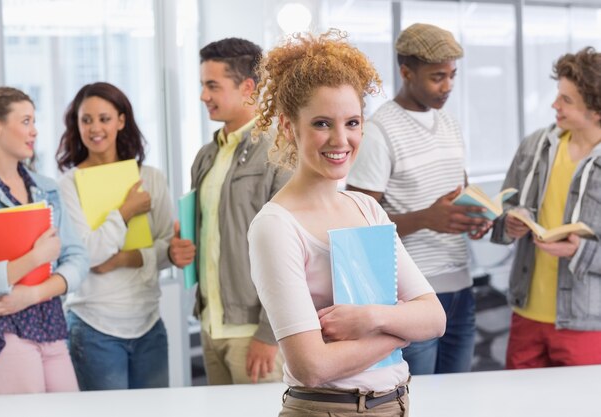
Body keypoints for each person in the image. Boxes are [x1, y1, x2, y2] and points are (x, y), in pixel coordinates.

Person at [248, 29, 446, 416]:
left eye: (352, 122)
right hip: (328, 409)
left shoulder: (366, 208)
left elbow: (435, 318)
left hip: (396, 403)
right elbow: (312, 366)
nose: (341, 139)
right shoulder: (276, 226)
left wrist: (370, 318)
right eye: (322, 123)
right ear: (289, 127)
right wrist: (400, 328)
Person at [346, 23, 489, 375]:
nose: (448, 86)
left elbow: (460, 194)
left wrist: (476, 217)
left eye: (453, 75)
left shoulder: (451, 124)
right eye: (437, 76)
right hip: (411, 296)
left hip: (461, 288)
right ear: (406, 72)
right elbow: (358, 225)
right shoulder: (379, 131)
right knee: (416, 400)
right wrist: (426, 218)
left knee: (458, 399)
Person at [56, 82, 195, 390]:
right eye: (86, 120)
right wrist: (124, 212)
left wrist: (124, 258)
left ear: (120, 121)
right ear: (75, 124)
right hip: (93, 327)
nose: (95, 128)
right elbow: (89, 256)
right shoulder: (68, 185)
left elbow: (167, 248)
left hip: (149, 325)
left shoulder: (151, 178)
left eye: (104, 118)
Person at [173, 37, 289, 385]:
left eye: (212, 86)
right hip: (211, 325)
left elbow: (290, 252)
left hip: (255, 333)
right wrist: (177, 250)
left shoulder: (278, 151)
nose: (203, 96)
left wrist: (270, 334)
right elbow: (207, 236)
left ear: (248, 87)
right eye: (202, 85)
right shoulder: (206, 155)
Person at [491, 47, 601, 369]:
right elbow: (501, 209)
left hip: (586, 323)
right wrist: (508, 224)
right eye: (558, 95)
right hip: (526, 313)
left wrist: (579, 251)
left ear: (596, 110)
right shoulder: (534, 145)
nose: (555, 105)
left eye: (567, 100)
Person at [0, 86, 88, 394]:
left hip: (49, 322)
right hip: (1, 330)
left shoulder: (47, 189)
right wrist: (36, 258)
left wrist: (33, 294)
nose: (34, 131)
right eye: (25, 121)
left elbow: (78, 259)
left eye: (34, 122)